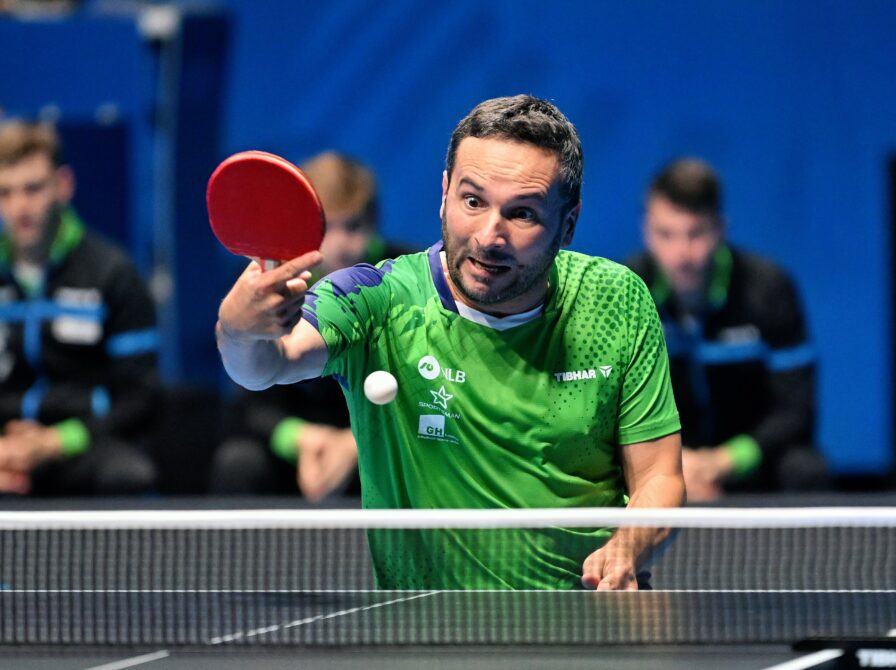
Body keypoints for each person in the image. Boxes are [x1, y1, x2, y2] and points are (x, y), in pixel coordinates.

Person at [215, 95, 685, 590]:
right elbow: (265, 366)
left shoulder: (616, 302)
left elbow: (659, 476)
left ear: (567, 224)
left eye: (522, 214)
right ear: (444, 194)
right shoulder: (378, 299)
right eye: (473, 201)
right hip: (429, 623)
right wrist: (239, 328)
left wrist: (627, 548)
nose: (489, 236)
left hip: (589, 612)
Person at [210, 151, 413, 501]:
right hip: (301, 450)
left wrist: (356, 442)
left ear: (373, 222)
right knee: (238, 462)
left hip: (380, 443)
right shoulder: (270, 285)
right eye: (327, 228)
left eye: (353, 226)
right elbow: (248, 405)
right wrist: (304, 440)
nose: (341, 244)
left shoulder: (405, 276)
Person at [627, 158, 827, 502]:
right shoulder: (626, 292)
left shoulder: (770, 288)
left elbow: (796, 410)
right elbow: (610, 408)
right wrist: (672, 466)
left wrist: (723, 462)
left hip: (749, 461)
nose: (682, 254)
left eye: (696, 233)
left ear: (720, 229)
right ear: (646, 230)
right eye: (666, 234)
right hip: (662, 462)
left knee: (806, 469)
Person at [0, 120, 159, 495]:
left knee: (128, 474)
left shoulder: (112, 273)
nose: (19, 206)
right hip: (4, 446)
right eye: (5, 193)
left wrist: (55, 442)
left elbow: (141, 397)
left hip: (82, 443)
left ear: (63, 185)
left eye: (33, 189)